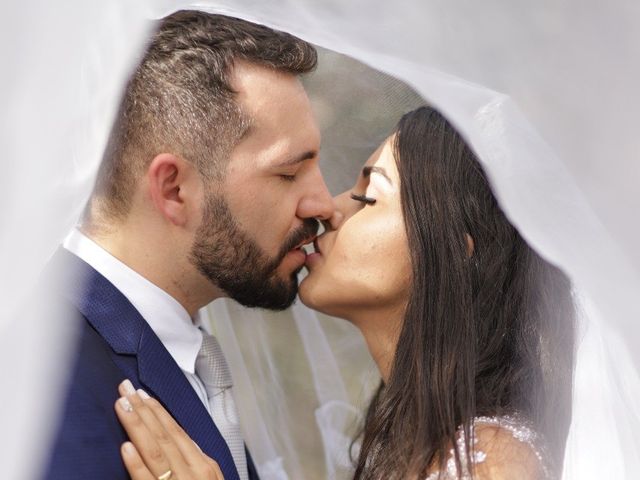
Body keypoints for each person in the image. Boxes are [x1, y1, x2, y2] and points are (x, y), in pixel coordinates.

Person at [114, 106, 575, 480]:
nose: (328, 210)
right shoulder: (410, 442)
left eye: (369, 196)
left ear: (452, 249)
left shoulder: (490, 460)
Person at [40, 10, 335, 480]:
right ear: (175, 189)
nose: (322, 203)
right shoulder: (46, 376)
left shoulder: (182, 350)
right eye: (288, 173)